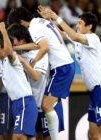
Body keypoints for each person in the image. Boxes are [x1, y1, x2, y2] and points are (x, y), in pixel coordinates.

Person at [7, 6, 75, 140]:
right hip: (65, 64)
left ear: (21, 22)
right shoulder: (41, 21)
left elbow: (44, 47)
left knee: (45, 105)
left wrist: (32, 63)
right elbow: (58, 35)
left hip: (61, 66)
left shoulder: (33, 27)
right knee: (46, 106)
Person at [39, 6, 101, 140]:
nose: (77, 26)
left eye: (80, 23)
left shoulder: (93, 39)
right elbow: (61, 34)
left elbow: (72, 35)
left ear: (90, 26)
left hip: (100, 89)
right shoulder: (80, 39)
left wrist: (58, 18)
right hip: (94, 91)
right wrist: (49, 20)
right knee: (93, 134)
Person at [0, 22, 38, 140]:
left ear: (4, 48)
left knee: (18, 137)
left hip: (24, 102)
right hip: (19, 103)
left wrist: (3, 30)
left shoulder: (12, 59)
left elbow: (8, 51)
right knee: (29, 138)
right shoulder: (3, 62)